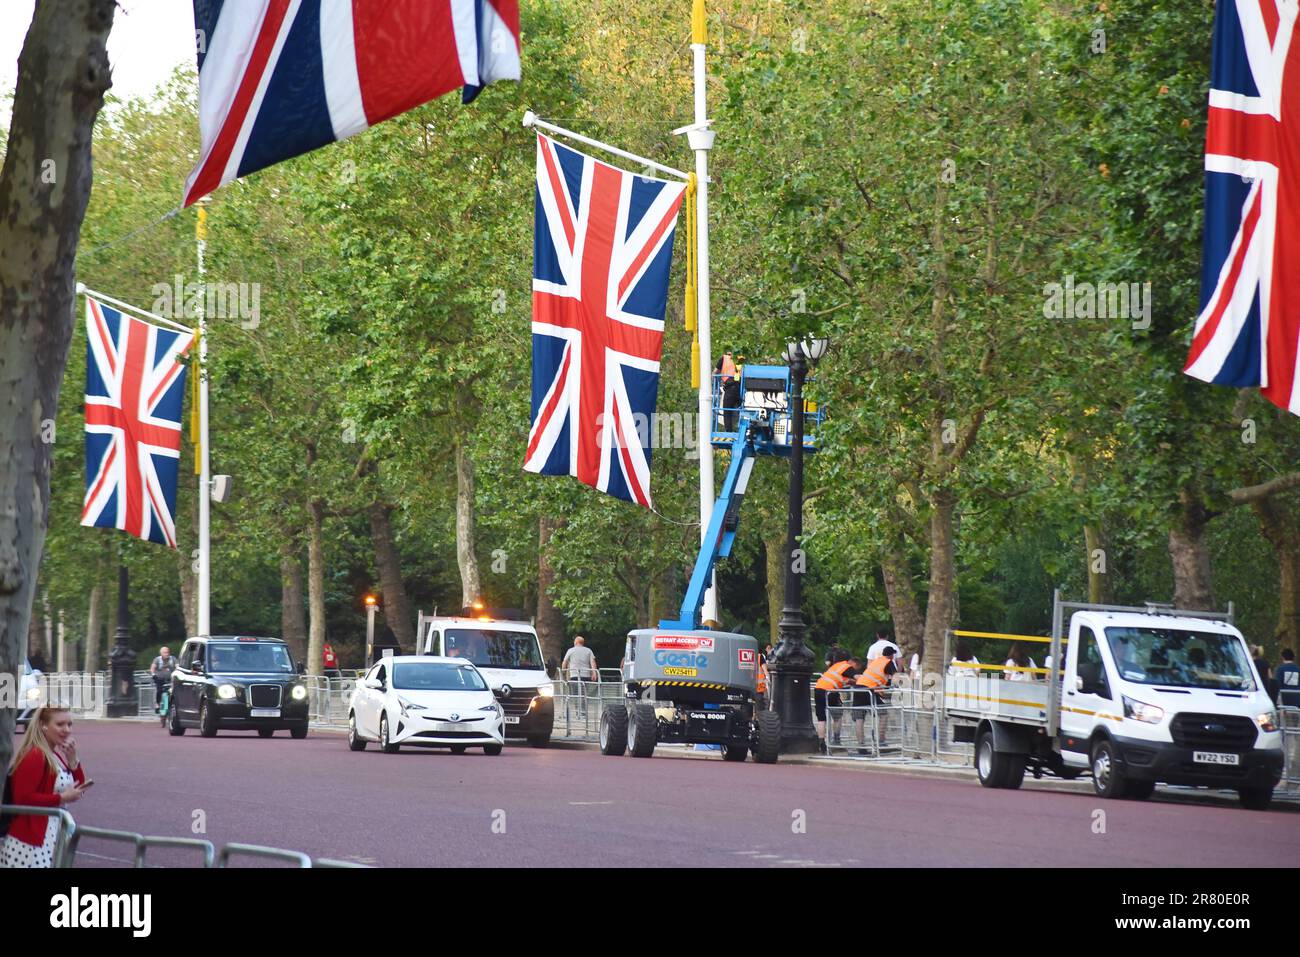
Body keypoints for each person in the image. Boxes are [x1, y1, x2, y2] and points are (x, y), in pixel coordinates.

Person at [2, 707, 90, 868]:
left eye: (70, 724)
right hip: (28, 841)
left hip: (48, 835)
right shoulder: (35, 755)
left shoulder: (54, 754)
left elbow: (78, 789)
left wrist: (73, 760)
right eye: (60, 724)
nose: (67, 730)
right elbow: (23, 799)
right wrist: (61, 798)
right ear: (43, 725)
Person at [852, 647, 898, 751]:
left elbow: (875, 677)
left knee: (860, 718)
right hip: (868, 690)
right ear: (891, 655)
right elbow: (896, 677)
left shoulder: (876, 661)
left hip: (858, 687)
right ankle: (881, 742)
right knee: (883, 714)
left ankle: (861, 746)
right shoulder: (888, 662)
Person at [814, 653, 855, 748]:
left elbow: (842, 679)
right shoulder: (846, 666)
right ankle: (836, 740)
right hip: (830, 691)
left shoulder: (833, 667)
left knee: (821, 718)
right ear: (848, 660)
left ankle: (821, 742)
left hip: (818, 689)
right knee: (837, 716)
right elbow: (857, 678)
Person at [562, 636, 598, 717]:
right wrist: (594, 673)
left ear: (576, 642)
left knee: (576, 694)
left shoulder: (570, 650)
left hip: (574, 675)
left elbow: (565, 662)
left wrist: (563, 671)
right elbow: (593, 662)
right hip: (586, 675)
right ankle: (583, 713)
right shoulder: (588, 650)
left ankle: (578, 712)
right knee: (584, 694)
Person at [715, 350, 741, 431]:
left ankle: (729, 433)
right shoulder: (740, 358)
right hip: (740, 387)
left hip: (730, 388)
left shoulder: (724, 358)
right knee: (742, 410)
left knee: (727, 412)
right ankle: (741, 430)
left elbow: (715, 372)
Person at [149, 646, 177, 714]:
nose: (167, 654)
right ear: (161, 653)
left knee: (174, 692)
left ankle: (172, 706)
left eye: (168, 652)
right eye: (165, 652)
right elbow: (153, 668)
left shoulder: (173, 659)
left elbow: (177, 666)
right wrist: (153, 675)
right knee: (159, 691)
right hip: (160, 679)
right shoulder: (157, 660)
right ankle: (157, 704)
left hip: (171, 679)